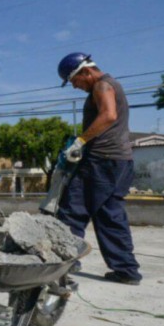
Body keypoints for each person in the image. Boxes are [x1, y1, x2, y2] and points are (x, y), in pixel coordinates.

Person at [56, 52, 142, 285]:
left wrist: (81, 141)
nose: (75, 86)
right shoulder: (113, 84)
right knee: (109, 215)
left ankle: (65, 261)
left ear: (85, 72)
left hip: (101, 161)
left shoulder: (102, 85)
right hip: (121, 160)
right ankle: (126, 270)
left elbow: (109, 115)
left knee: (72, 209)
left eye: (74, 81)